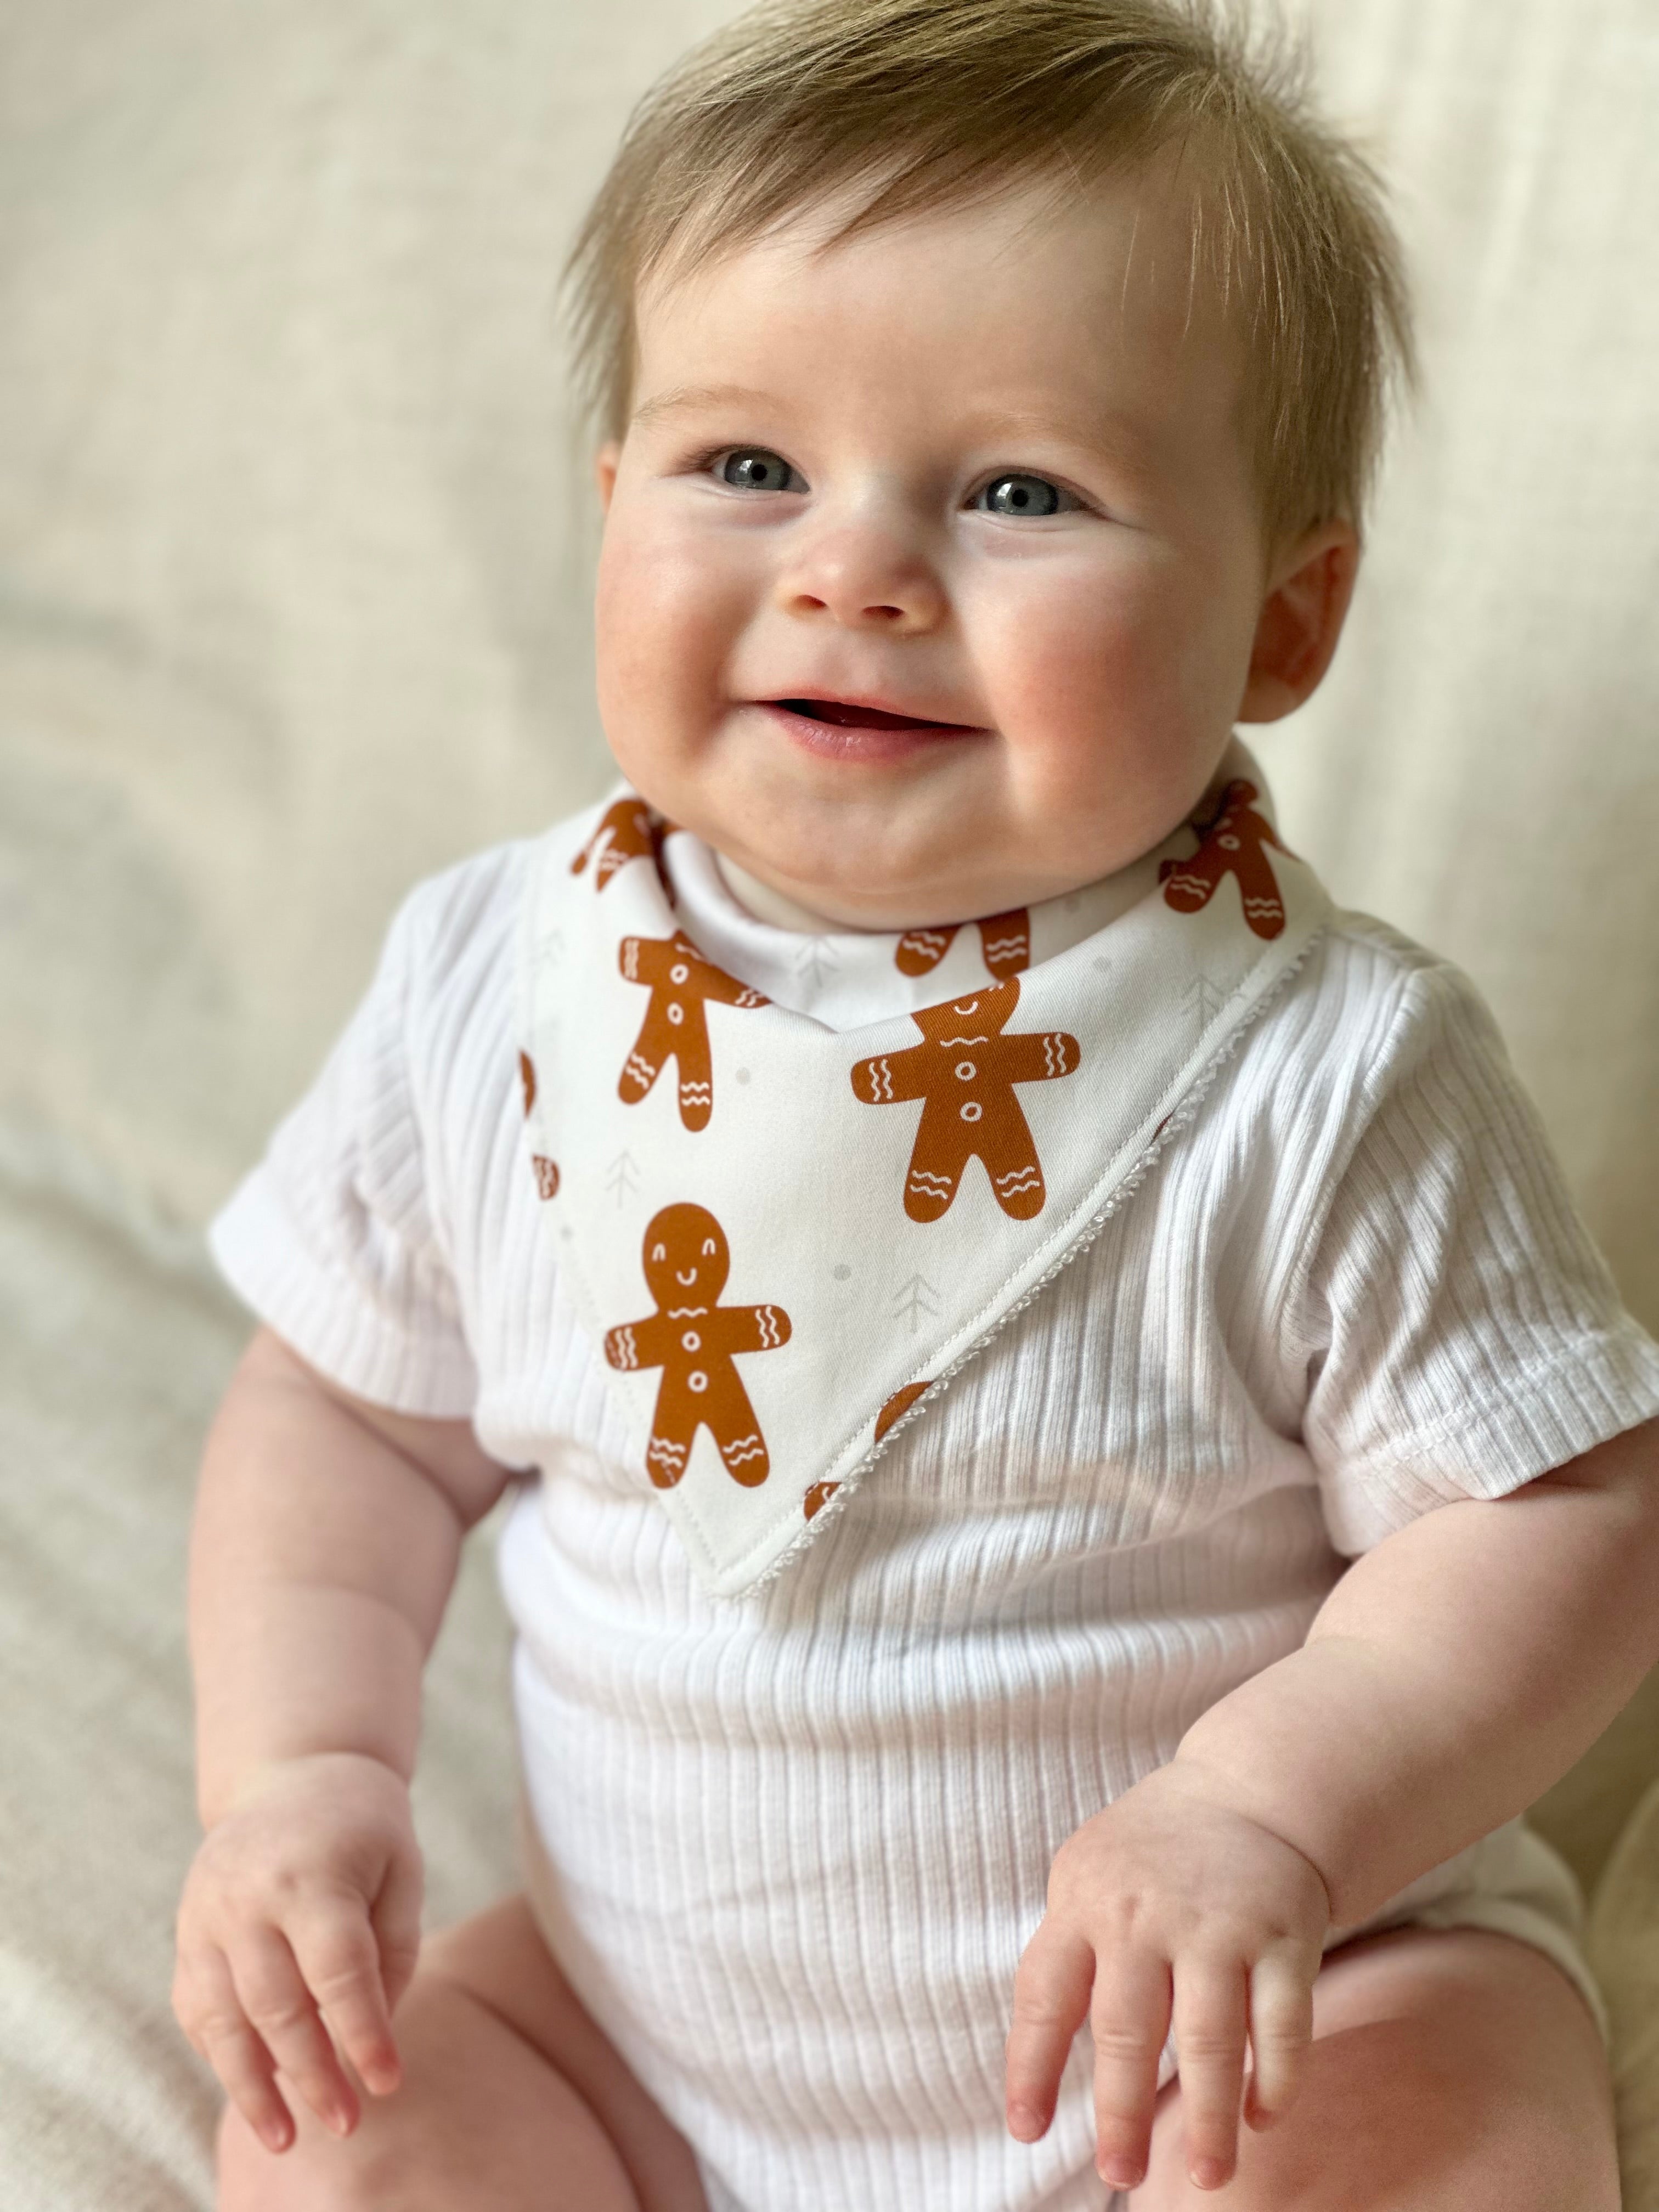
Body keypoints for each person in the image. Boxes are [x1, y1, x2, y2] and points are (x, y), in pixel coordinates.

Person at [171, 1, 1659, 2205]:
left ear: (1284, 619)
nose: (854, 569)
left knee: (1442, 2122)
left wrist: (1272, 1807)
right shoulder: (499, 988)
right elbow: (348, 1419)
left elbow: (1560, 1512)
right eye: (746, 467)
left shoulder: (1323, 1068)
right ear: (611, 507)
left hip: (1251, 2024)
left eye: (1020, 491)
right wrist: (296, 1769)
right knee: (347, 2141)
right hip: (633, 2050)